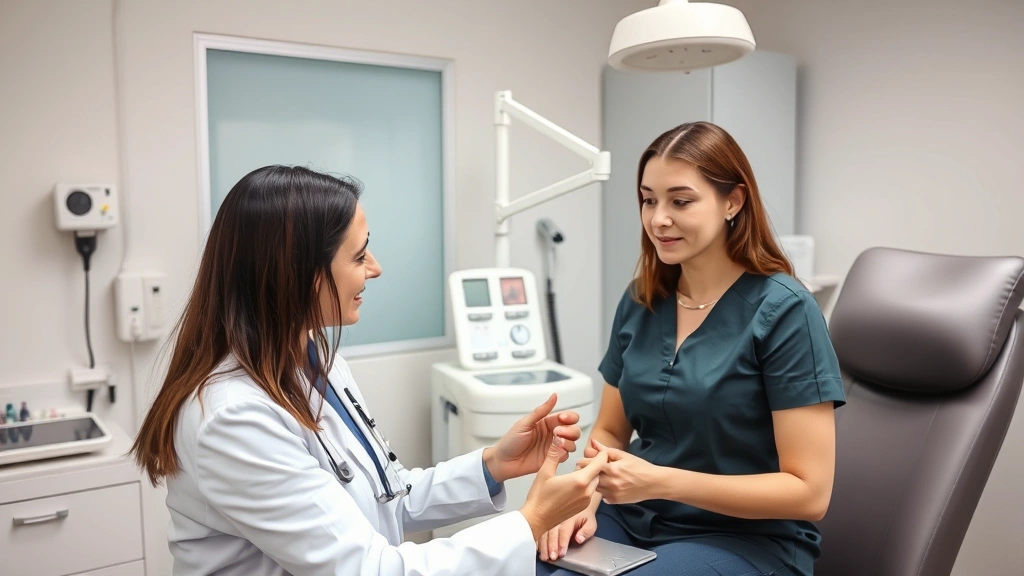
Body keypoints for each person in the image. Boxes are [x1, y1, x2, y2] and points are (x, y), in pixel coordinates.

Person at [129, 165, 608, 575]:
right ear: (298, 273)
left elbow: (387, 497)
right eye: (358, 256)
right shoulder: (233, 419)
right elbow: (370, 570)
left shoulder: (316, 359)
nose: (375, 268)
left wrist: (492, 465)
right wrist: (532, 521)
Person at [537, 122, 846, 576]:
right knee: (533, 564)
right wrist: (584, 497)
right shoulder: (642, 299)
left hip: (746, 539)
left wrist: (659, 481)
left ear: (732, 202)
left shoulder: (784, 311)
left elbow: (809, 493)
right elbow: (609, 429)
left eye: (680, 201)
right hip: (635, 516)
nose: (659, 218)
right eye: (648, 199)